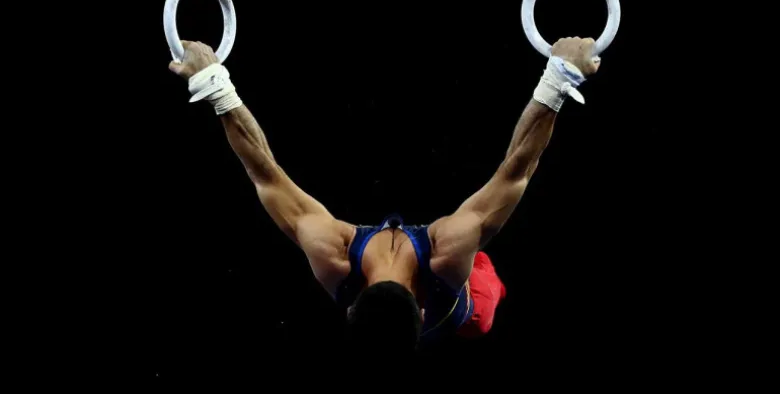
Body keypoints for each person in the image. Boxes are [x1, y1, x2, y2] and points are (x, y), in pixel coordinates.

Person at [168, 36, 600, 353]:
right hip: (469, 307)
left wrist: (215, 84)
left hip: (400, 315)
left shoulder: (334, 254)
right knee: (483, 284)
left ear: (350, 309)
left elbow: (265, 175)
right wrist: (559, 76)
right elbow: (515, 171)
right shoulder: (448, 255)